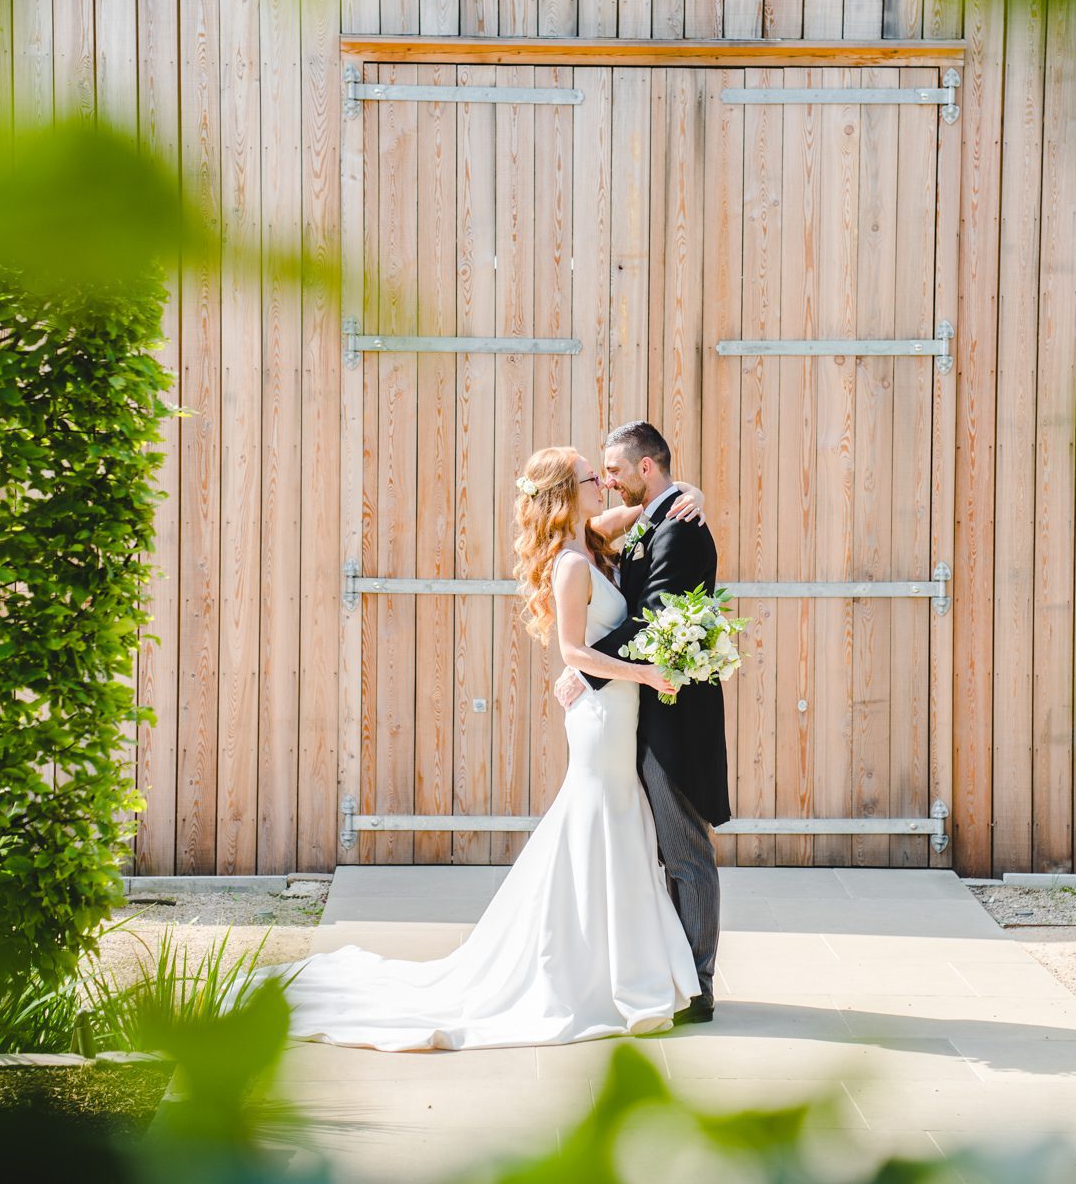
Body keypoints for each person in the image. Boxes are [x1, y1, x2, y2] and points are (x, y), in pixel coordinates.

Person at [266, 446, 709, 1050]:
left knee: (613, 826)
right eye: (590, 477)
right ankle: (599, 973)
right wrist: (648, 676)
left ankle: (614, 964)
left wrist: (692, 494)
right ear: (564, 493)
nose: (603, 484)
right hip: (603, 713)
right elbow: (573, 655)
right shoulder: (573, 565)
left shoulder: (595, 536)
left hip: (617, 710)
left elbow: (654, 506)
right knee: (602, 819)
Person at [555, 421, 729, 1025]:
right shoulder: (644, 522)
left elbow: (655, 618)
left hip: (671, 716)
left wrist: (586, 673)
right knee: (652, 851)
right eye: (596, 473)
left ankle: (698, 985)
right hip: (635, 710)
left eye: (616, 470)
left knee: (683, 851)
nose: (607, 480)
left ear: (646, 469)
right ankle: (669, 972)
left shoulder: (678, 529)